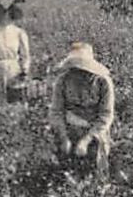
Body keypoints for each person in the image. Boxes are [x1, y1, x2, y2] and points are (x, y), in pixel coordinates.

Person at [49, 41, 115, 177]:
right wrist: (64, 137)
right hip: (69, 128)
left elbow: (105, 116)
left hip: (94, 130)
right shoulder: (62, 81)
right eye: (75, 69)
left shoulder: (103, 82)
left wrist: (86, 140)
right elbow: (56, 111)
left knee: (94, 168)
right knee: (63, 166)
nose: (79, 73)